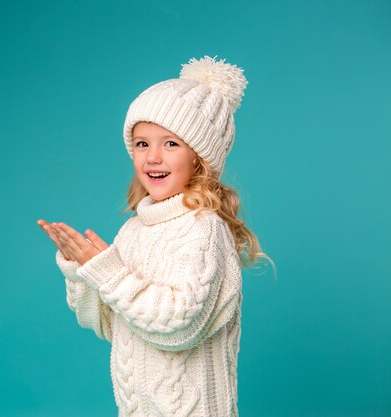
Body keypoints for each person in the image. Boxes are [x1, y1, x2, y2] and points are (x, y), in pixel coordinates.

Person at [37, 55, 273, 417]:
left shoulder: (202, 228)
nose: (153, 157)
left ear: (200, 158)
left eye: (171, 144)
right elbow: (105, 324)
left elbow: (178, 327)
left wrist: (108, 271)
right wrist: (82, 269)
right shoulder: (135, 229)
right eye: (143, 144)